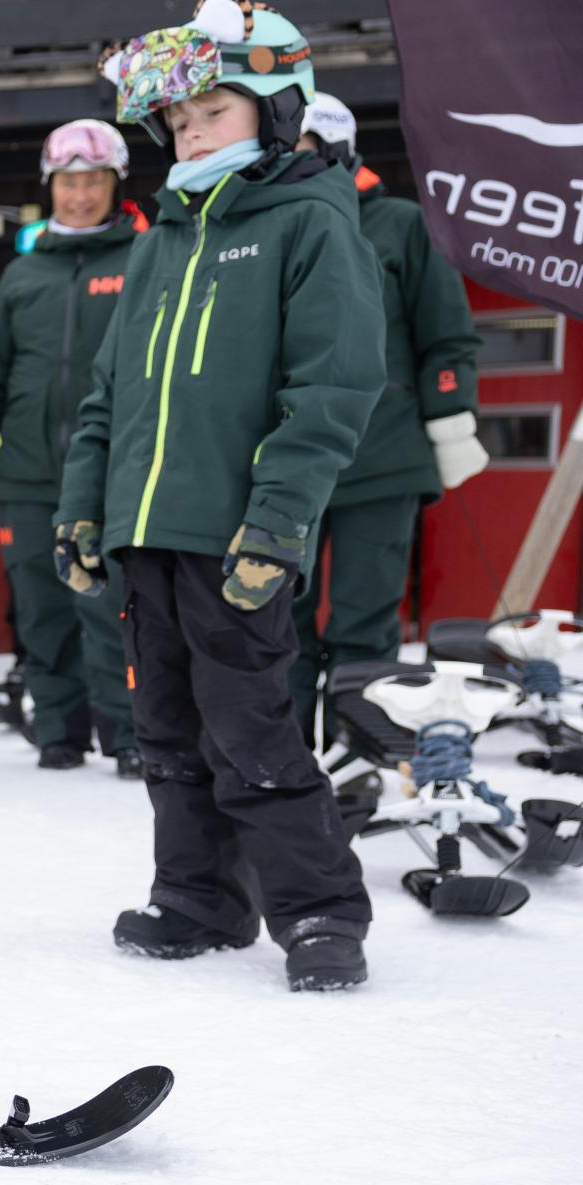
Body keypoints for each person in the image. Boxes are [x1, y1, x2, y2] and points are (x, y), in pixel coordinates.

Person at [61, 1, 385, 990]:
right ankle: (198, 897)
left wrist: (277, 518)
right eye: (178, 120)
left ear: (275, 111)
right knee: (161, 725)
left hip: (236, 531)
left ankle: (319, 907)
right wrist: (83, 508)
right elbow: (105, 395)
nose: (190, 132)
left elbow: (330, 386)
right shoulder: (160, 238)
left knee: (245, 722)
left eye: (212, 110)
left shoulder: (307, 224)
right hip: (144, 531)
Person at [287, 91, 487, 743]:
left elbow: (447, 338)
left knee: (364, 620)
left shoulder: (400, 224)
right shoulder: (266, 228)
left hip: (383, 454)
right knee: (273, 616)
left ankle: (360, 748)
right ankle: (278, 757)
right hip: (285, 461)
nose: (290, 162)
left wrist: (451, 418)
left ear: (339, 152)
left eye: (304, 150)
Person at [0, 120, 147, 777]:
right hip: (30, 475)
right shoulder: (22, 275)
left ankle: (126, 732)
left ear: (116, 183)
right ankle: (58, 729)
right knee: (41, 607)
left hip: (116, 470)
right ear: (51, 186)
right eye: (69, 181)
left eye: (94, 180)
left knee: (111, 603)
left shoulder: (143, 261)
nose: (81, 194)